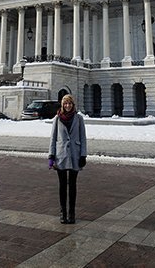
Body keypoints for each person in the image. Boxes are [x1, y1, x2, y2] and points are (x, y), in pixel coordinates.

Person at [48, 94, 87, 224]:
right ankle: (63, 213)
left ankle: (72, 213)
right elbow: (53, 139)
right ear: (62, 105)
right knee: (63, 186)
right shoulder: (57, 119)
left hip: (75, 156)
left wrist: (83, 155)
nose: (68, 106)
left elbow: (83, 138)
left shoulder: (79, 118)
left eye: (70, 103)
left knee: (73, 186)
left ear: (73, 105)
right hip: (61, 156)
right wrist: (51, 156)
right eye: (65, 103)